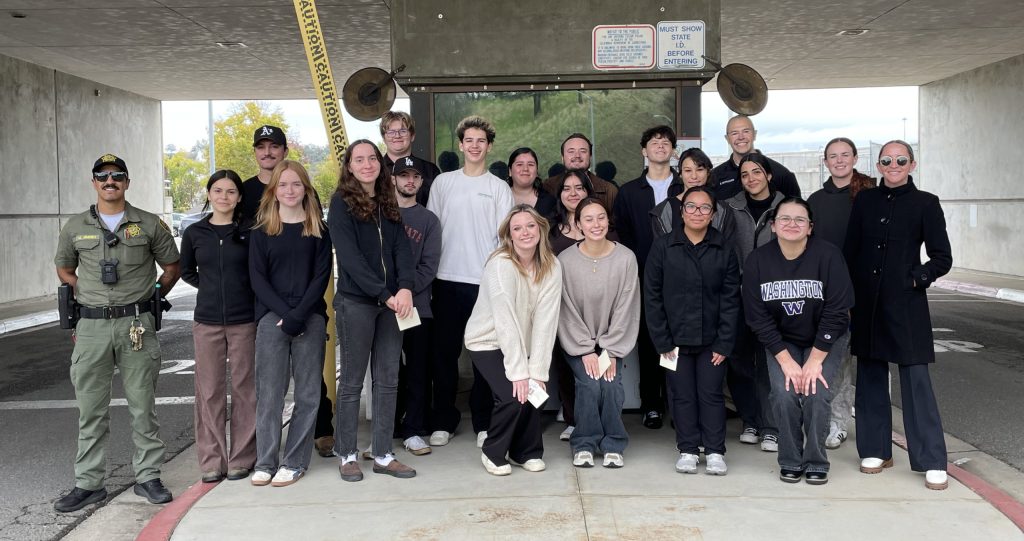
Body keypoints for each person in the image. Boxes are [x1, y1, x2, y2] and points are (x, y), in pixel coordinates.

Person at [54, 154, 180, 512]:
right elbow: (64, 268)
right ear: (94, 182)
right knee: (90, 410)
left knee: (143, 406)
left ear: (127, 182)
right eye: (103, 176)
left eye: (117, 176)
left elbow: (172, 266)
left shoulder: (149, 223)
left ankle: (148, 477)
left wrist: (152, 296)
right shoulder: (75, 226)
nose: (110, 182)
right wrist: (85, 293)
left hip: (136, 324)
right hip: (91, 327)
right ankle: (89, 483)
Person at [844, 140, 952, 490]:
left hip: (906, 303)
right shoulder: (865, 200)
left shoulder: (926, 203)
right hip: (867, 303)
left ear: (912, 165)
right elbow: (851, 250)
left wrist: (915, 278)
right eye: (887, 160)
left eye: (901, 160)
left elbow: (942, 257)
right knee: (870, 377)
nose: (894, 165)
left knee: (916, 380)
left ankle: (932, 459)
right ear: (878, 165)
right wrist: (849, 294)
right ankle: (876, 450)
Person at [239, 125, 336, 458]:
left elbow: (321, 276)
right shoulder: (261, 229)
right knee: (270, 393)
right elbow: (257, 278)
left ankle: (295, 460)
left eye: (296, 184)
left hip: (309, 316)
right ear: (274, 191)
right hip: (272, 318)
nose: (290, 190)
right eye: (283, 185)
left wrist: (299, 314)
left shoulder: (318, 228)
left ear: (306, 189)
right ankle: (266, 461)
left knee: (309, 393)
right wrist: (284, 314)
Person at [743, 198, 854, 485]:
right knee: (784, 393)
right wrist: (786, 361)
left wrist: (815, 360)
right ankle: (791, 459)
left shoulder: (828, 256)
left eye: (799, 219)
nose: (792, 224)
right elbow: (757, 317)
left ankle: (816, 460)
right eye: (785, 218)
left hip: (825, 338)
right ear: (773, 225)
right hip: (782, 340)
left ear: (810, 227)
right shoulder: (758, 260)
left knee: (816, 392)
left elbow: (838, 310)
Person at [328, 141, 418, 481]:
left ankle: (383, 454)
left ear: (380, 164)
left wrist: (405, 287)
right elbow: (349, 257)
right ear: (350, 166)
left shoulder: (386, 200)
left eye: (372, 158)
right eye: (359, 159)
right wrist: (384, 294)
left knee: (388, 380)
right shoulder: (341, 203)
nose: (367, 164)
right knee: (352, 382)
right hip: (357, 303)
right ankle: (347, 454)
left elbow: (401, 250)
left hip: (392, 303)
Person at [425, 116, 515, 448]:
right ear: (460, 145)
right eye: (469, 140)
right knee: (444, 355)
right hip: (446, 280)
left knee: (484, 356)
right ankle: (443, 420)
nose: (475, 146)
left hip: (484, 283)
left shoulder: (498, 187)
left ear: (489, 147)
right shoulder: (443, 183)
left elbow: (505, 240)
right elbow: (432, 232)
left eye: (481, 141)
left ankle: (483, 422)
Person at [645, 186, 740, 476]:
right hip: (673, 342)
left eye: (704, 208)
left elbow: (731, 300)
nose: (697, 212)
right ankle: (687, 449)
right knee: (681, 395)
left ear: (713, 214)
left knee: (711, 394)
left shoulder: (724, 247)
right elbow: (652, 296)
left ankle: (714, 451)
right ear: (681, 211)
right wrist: (662, 341)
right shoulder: (663, 246)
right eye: (691, 206)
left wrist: (724, 343)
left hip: (713, 341)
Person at [465, 205, 562, 475]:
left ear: (541, 228)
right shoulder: (500, 264)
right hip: (487, 340)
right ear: (509, 235)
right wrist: (519, 372)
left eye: (530, 226)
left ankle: (525, 452)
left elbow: (546, 321)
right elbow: (505, 320)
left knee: (534, 392)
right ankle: (493, 451)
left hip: (524, 342)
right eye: (517, 228)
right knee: (512, 395)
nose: (525, 232)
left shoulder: (552, 266)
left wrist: (537, 371)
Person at [179, 170, 257, 483]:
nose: (224, 197)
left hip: (244, 320)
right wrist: (211, 287)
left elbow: (258, 271)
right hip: (207, 321)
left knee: (244, 389)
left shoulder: (250, 230)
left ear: (239, 197)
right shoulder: (195, 233)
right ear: (209, 194)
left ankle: (242, 458)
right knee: (209, 391)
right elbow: (187, 271)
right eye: (218, 191)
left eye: (230, 191)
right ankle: (212, 460)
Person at [613, 126, 686, 430]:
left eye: (666, 142)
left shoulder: (685, 187)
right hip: (644, 275)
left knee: (677, 340)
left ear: (673, 151)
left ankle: (677, 404)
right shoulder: (629, 191)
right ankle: (651, 404)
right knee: (649, 339)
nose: (660, 145)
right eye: (654, 142)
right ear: (644, 151)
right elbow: (623, 233)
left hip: (681, 277)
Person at [558, 198, 640, 468]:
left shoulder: (626, 258)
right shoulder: (565, 260)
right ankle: (584, 442)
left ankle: (613, 442)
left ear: (608, 220)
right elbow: (565, 310)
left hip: (611, 342)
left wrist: (610, 351)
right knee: (590, 383)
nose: (596, 224)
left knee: (610, 383)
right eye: (589, 219)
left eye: (601, 217)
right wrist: (585, 350)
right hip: (577, 341)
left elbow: (627, 307)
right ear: (578, 224)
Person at [806, 137, 876, 450]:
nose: (839, 160)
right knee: (837, 362)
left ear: (855, 158)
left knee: (873, 361)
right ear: (825, 162)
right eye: (833, 156)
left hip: (868, 290)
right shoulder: (816, 200)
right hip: (831, 294)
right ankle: (837, 422)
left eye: (845, 155)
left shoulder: (870, 195)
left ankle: (875, 423)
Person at [727, 153, 787, 453]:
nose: (751, 178)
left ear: (769, 175)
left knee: (769, 362)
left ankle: (771, 427)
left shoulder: (785, 207)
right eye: (745, 174)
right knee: (739, 361)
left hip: (773, 297)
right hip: (738, 295)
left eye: (757, 172)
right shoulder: (730, 208)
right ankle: (750, 420)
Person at [390, 155, 443, 458]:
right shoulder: (380, 213)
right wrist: (390, 295)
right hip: (385, 307)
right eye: (404, 175)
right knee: (387, 371)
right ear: (393, 179)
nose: (409, 181)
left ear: (422, 182)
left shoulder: (429, 220)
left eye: (415, 177)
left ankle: (413, 429)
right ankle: (389, 427)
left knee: (418, 371)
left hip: (418, 307)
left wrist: (405, 292)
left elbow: (429, 266)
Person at [650, 147, 735, 242]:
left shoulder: (723, 210)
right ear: (680, 174)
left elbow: (727, 247)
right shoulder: (664, 211)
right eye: (688, 170)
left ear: (708, 172)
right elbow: (661, 248)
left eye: (699, 169)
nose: (694, 176)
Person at [710, 115, 801, 201]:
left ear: (755, 134)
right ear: (727, 139)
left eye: (746, 131)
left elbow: (797, 209)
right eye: (734, 133)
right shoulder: (715, 176)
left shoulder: (781, 174)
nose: (741, 137)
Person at [379, 111, 442, 206]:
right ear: (384, 138)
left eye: (403, 131)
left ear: (412, 136)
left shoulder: (430, 170)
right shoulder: (375, 170)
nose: (397, 136)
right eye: (391, 132)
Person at [542, 133, 619, 210]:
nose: (577, 155)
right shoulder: (548, 186)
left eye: (583, 151)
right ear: (562, 157)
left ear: (590, 156)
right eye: (571, 151)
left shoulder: (609, 190)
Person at [506, 147, 557, 220]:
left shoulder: (550, 201)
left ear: (537, 172)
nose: (525, 169)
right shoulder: (499, 198)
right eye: (519, 164)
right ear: (510, 171)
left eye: (530, 164)